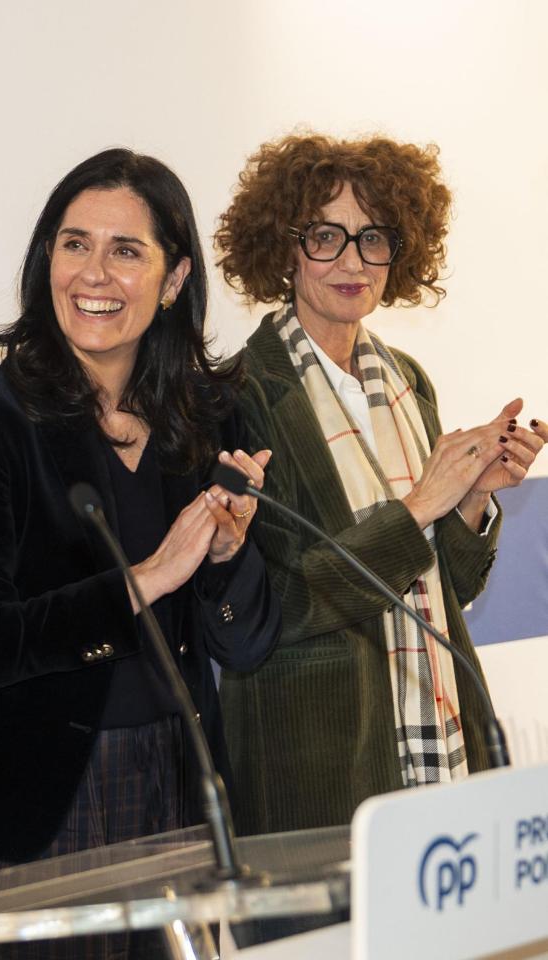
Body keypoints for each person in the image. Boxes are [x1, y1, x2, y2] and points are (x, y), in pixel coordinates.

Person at [0, 149, 281, 959]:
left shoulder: (210, 417)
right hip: (19, 809)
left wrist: (224, 563)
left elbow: (245, 642)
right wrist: (147, 578)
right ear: (46, 261)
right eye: (74, 244)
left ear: (173, 282)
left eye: (125, 251)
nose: (93, 273)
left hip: (173, 787)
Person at [212, 134, 544, 834]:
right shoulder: (239, 395)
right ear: (284, 247)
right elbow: (277, 607)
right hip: (318, 762)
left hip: (438, 739)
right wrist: (421, 502)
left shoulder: (407, 380)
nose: (353, 262)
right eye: (326, 236)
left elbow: (449, 586)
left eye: (374, 239)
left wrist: (474, 497)